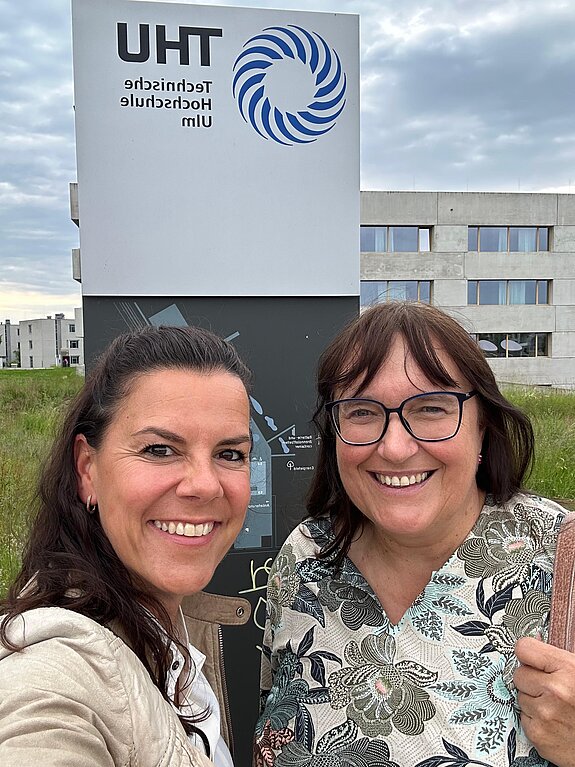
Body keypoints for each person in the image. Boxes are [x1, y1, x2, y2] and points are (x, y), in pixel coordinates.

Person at [255, 301, 575, 767]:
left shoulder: (561, 562)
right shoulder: (305, 557)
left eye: (430, 408)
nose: (395, 447)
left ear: (483, 425)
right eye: (362, 411)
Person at [0, 325, 254, 767]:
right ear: (87, 470)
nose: (205, 485)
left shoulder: (169, 627)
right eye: (159, 449)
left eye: (230, 454)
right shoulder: (54, 672)